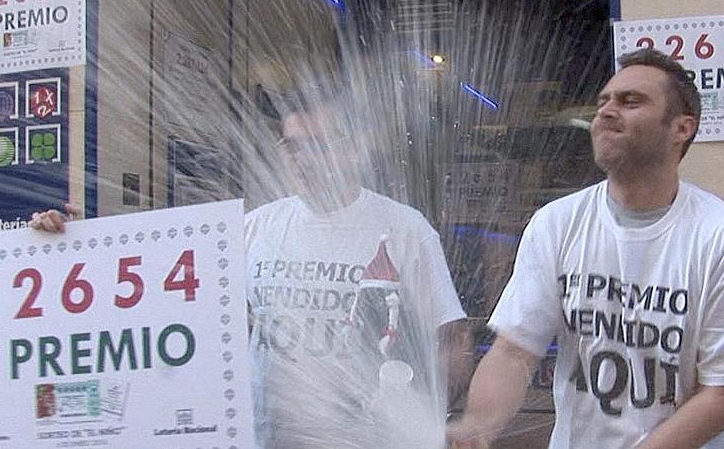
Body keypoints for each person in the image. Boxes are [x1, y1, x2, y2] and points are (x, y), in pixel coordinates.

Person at [31, 80, 469, 449]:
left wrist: (431, 422)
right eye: (291, 146)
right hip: (269, 437)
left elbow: (451, 336)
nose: (302, 159)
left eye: (318, 145)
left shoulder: (404, 229)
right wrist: (82, 244)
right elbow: (160, 291)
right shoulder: (254, 229)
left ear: (354, 149)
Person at [446, 48, 724, 449]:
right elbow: (515, 352)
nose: (605, 111)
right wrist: (478, 426)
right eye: (604, 101)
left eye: (630, 101)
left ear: (681, 128)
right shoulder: (557, 223)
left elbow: (723, 392)